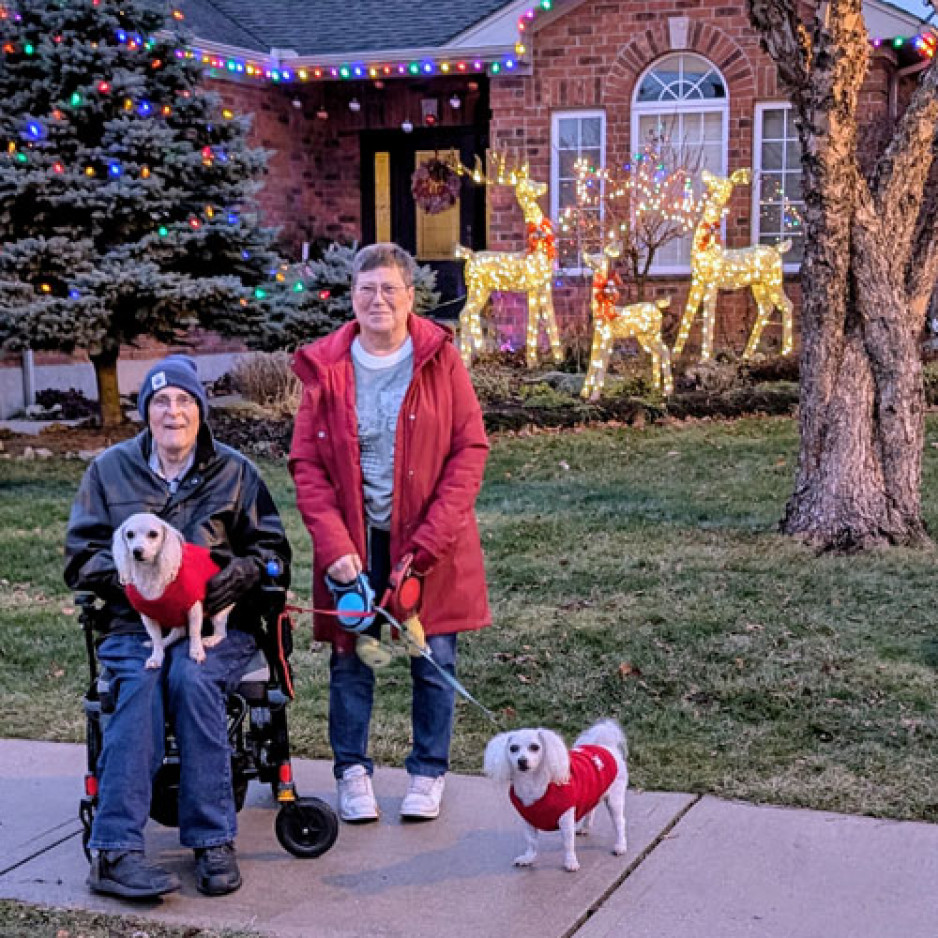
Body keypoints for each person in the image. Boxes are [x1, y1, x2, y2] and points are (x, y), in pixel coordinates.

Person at [64, 354, 291, 899]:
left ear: (201, 411)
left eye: (184, 401)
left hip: (215, 624)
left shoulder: (236, 472)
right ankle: (114, 851)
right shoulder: (110, 470)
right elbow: (80, 557)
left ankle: (213, 840)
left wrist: (244, 572)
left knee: (193, 680)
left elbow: (274, 551)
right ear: (146, 412)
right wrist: (130, 578)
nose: (173, 411)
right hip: (132, 624)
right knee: (140, 687)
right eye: (161, 401)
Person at [289, 242, 491, 823]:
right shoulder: (328, 367)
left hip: (429, 545)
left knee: (431, 655)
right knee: (355, 658)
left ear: (409, 298)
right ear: (351, 297)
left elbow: (468, 450)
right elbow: (307, 465)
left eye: (389, 290)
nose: (377, 300)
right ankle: (352, 773)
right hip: (356, 544)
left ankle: (428, 772)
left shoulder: (439, 358)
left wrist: (429, 541)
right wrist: (334, 547)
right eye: (366, 290)